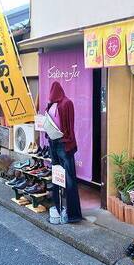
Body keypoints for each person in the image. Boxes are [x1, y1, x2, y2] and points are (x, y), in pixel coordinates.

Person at [47, 81, 82, 223]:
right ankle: (59, 206)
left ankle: (73, 213)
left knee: (69, 179)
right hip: (53, 143)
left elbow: (69, 125)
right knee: (56, 176)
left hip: (63, 143)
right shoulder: (51, 104)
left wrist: (67, 141)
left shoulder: (67, 103)